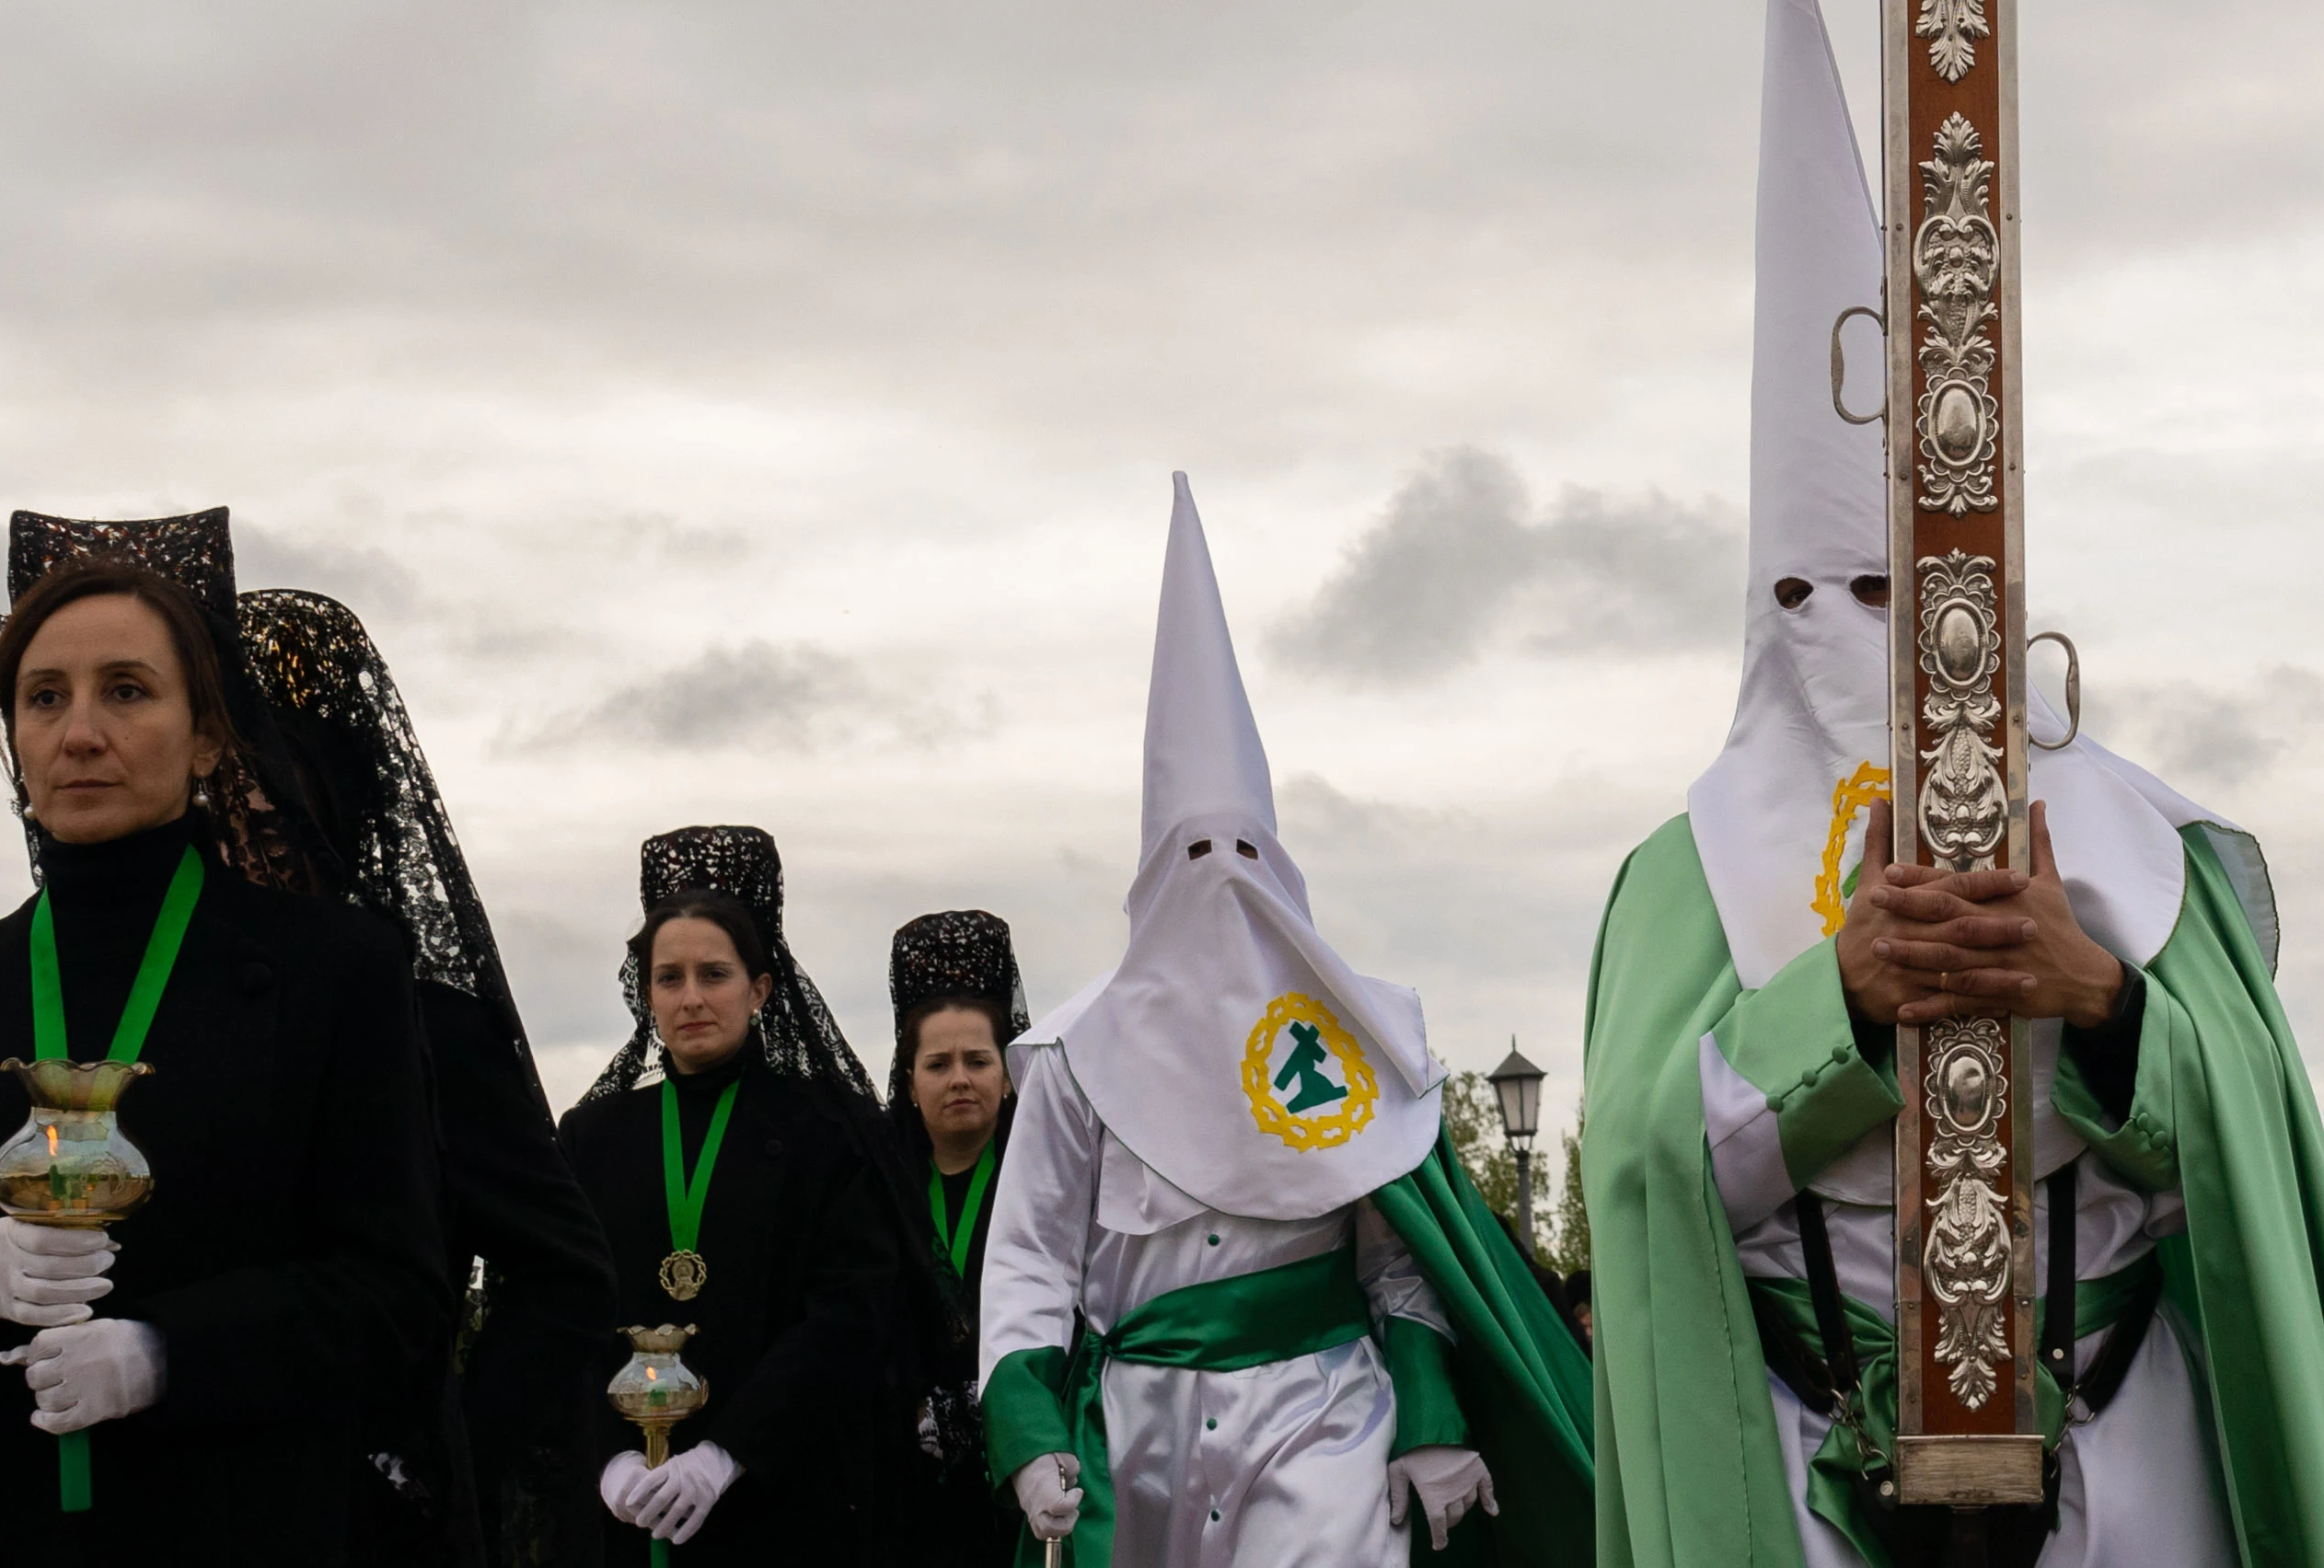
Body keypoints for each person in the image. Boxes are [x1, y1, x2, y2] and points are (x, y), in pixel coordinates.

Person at [1581, 0, 2324, 1568]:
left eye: (1887, 583)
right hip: (1802, 1464)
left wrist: (2101, 999)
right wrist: (1831, 1004)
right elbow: (1635, 1177)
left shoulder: (2141, 838)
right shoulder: (1679, 871)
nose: (1854, 627)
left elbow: (2249, 1159)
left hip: (2124, 1453)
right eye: (1808, 589)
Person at [0, 548, 456, 1563]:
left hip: (228, 1522)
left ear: (210, 735)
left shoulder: (333, 969)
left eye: (125, 691)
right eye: (43, 698)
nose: (80, 732)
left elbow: (401, 1295)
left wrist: (170, 1352)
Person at [974, 476, 1589, 1568]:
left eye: (1243, 856)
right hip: (1138, 1428)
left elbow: (1396, 1255)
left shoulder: (1352, 1037)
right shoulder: (1079, 1054)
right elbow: (1030, 1252)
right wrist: (1023, 1426)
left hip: (1322, 1413)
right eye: (1194, 857)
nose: (1223, 887)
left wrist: (1430, 1412)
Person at [557, 825, 910, 1561]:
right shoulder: (593, 1134)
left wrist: (727, 1452)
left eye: (713, 974)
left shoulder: (828, 1130)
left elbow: (847, 1313)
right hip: (626, 1510)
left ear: (759, 988)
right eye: (669, 977)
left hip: (782, 1496)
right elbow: (565, 1307)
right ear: (645, 991)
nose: (691, 998)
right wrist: (608, 1457)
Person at [881, 908, 1025, 1562]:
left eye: (978, 1059)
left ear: (1007, 1070)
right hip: (908, 1479)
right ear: (910, 1082)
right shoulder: (879, 1186)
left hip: (1026, 1468)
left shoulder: (1045, 1177)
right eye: (937, 1063)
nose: (960, 1078)